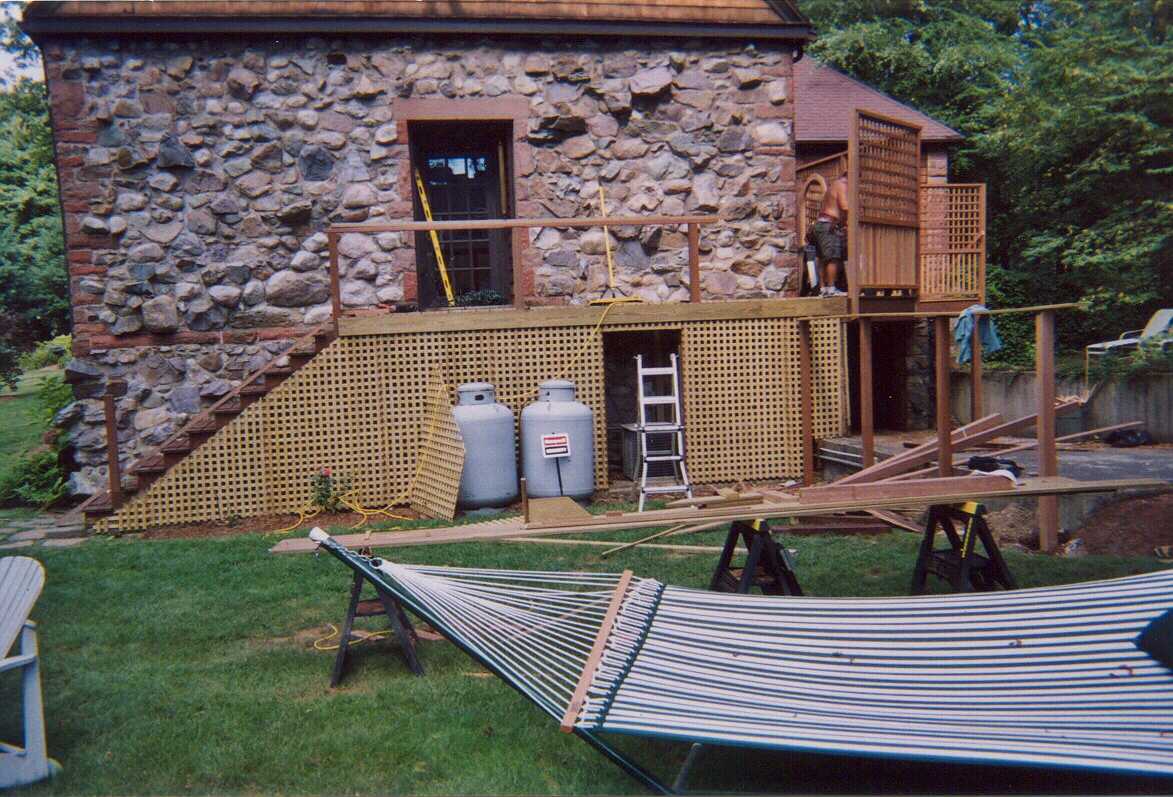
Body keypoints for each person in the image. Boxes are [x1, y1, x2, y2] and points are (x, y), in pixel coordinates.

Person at [807, 173, 849, 296]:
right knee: (833, 257)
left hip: (820, 224)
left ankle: (823, 289)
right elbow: (844, 206)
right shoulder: (842, 185)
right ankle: (831, 289)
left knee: (822, 258)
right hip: (828, 225)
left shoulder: (833, 185)